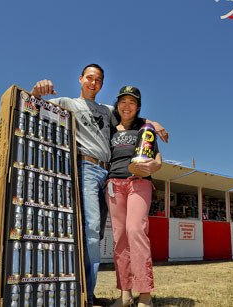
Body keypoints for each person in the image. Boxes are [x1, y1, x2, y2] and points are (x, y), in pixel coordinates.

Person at [30, 65, 168, 307]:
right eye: (89, 78)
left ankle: (129, 293)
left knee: (114, 234)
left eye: (98, 80)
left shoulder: (108, 111)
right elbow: (34, 103)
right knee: (94, 230)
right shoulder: (68, 103)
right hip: (87, 168)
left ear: (102, 85)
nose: (93, 83)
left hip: (109, 173)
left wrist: (153, 124)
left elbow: (132, 114)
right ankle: (88, 294)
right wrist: (37, 90)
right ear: (81, 79)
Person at [106, 86, 162, 307]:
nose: (126, 105)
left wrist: (155, 166)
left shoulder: (144, 130)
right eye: (123, 101)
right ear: (117, 105)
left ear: (138, 107)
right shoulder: (110, 128)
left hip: (138, 182)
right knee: (120, 238)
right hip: (113, 184)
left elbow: (157, 159)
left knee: (136, 230)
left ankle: (145, 294)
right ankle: (125, 294)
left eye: (132, 102)